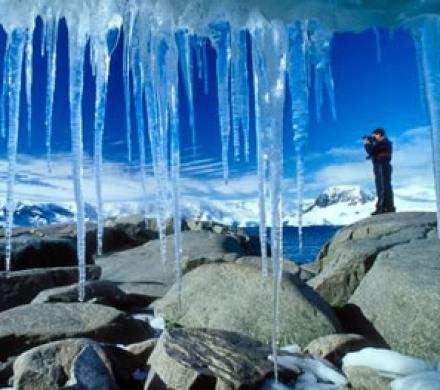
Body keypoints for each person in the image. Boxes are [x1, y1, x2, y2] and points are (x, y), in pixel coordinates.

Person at [363, 128, 395, 215]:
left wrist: (367, 144)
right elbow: (374, 153)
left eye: (375, 134)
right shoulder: (384, 143)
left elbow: (372, 151)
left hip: (381, 166)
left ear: (379, 134)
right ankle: (388, 207)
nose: (373, 136)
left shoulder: (383, 142)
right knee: (385, 186)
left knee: (382, 187)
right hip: (383, 166)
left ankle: (382, 208)